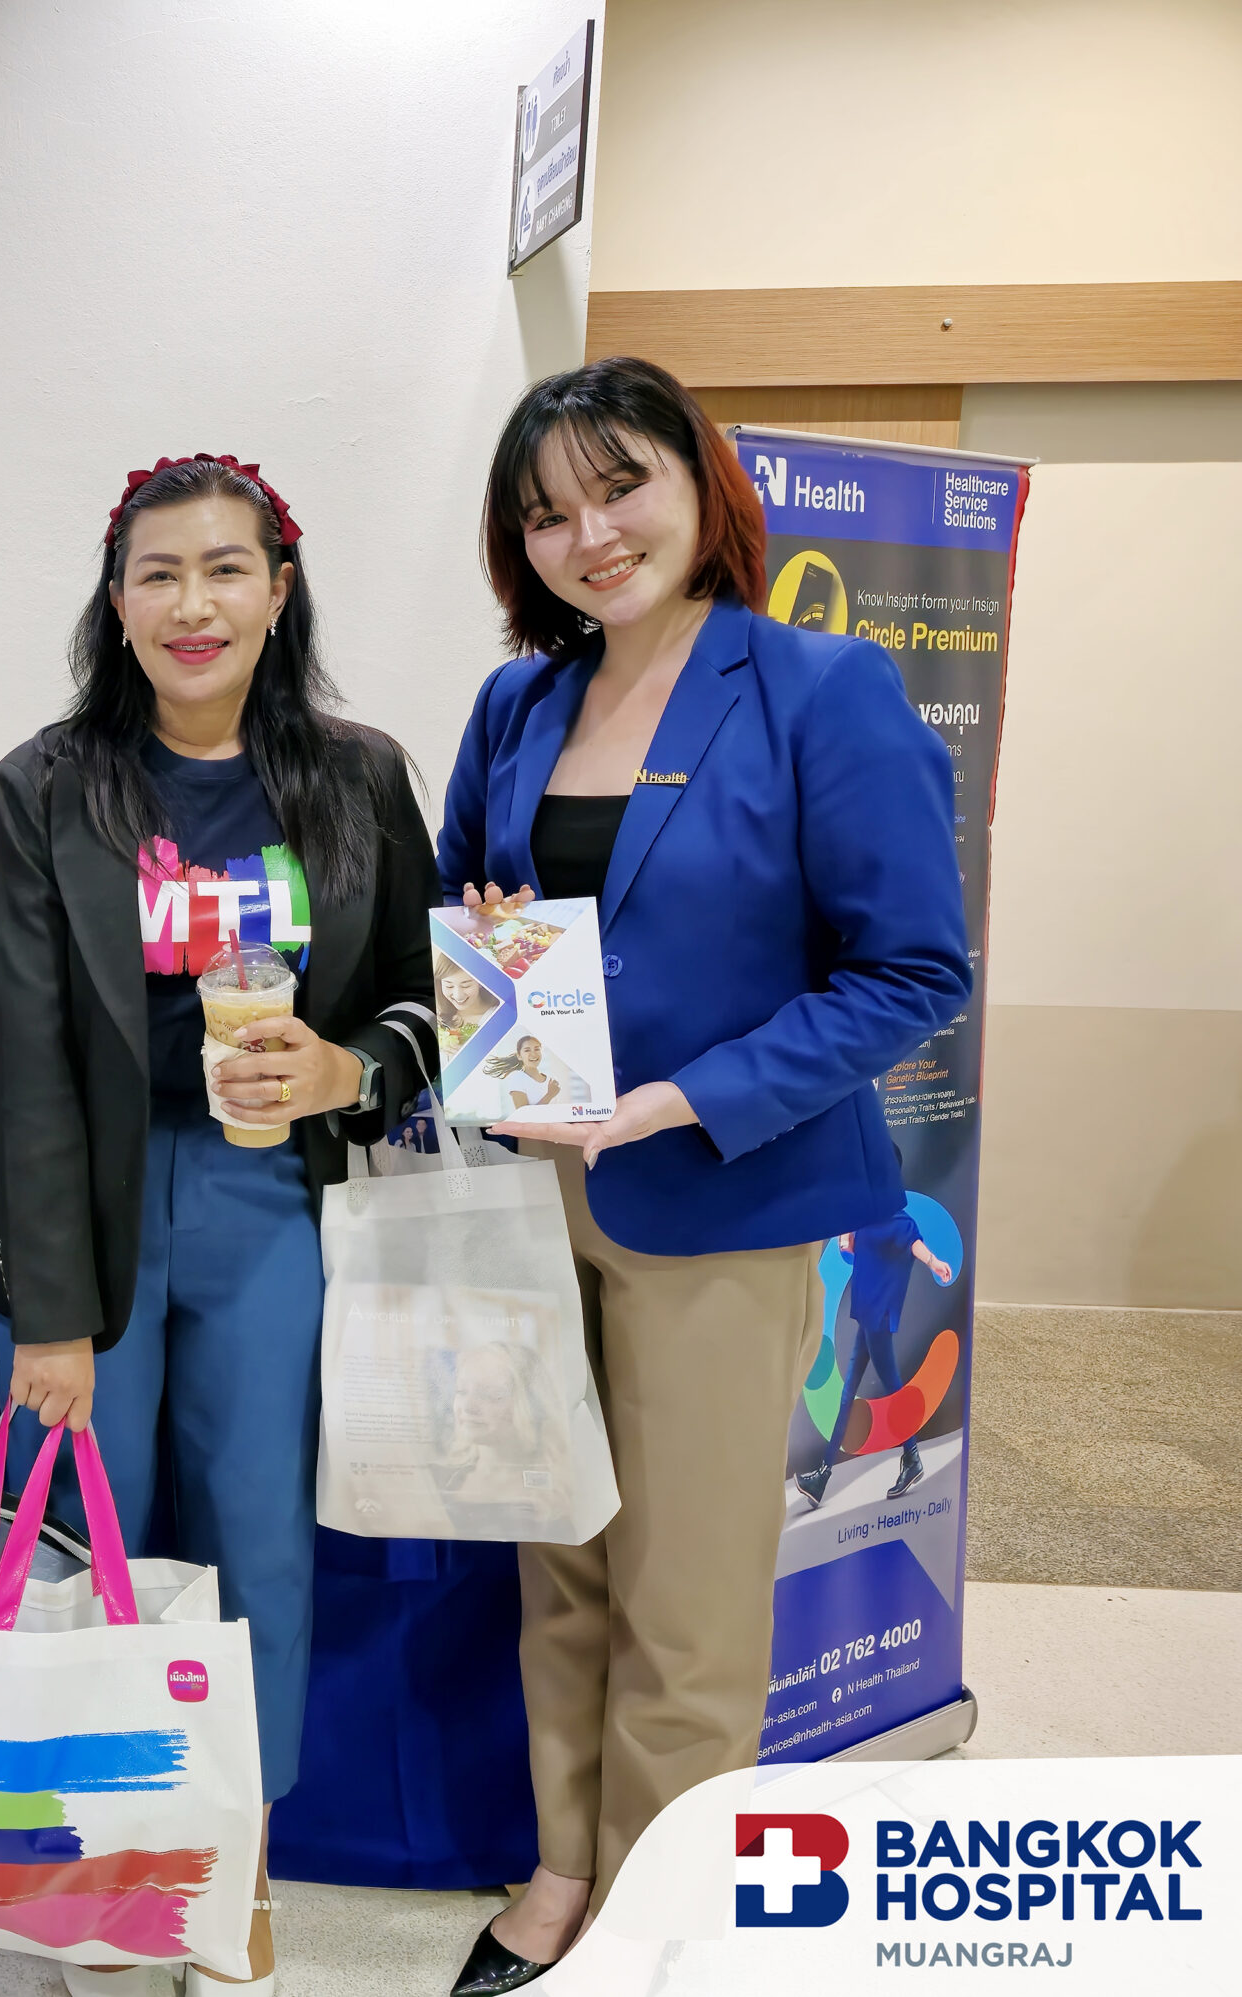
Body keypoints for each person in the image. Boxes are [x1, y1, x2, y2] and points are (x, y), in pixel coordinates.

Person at [435, 357, 969, 1994]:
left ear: (699, 483)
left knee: (685, 1600)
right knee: (562, 1561)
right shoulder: (519, 704)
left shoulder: (821, 686)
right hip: (537, 1198)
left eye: (621, 488)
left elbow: (912, 970)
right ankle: (563, 1866)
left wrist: (679, 1099)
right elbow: (469, 911)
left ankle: (657, 1918)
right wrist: (489, 1014)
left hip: (724, 1203)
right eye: (547, 513)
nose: (589, 535)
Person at [0, 452, 438, 1997]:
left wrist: (346, 1068)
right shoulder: (47, 785)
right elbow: (28, 1057)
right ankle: (104, 1867)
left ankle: (238, 1856)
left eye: (226, 569)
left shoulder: (357, 778)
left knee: (255, 1542)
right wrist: (48, 1310)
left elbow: (424, 1000)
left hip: (268, 1195)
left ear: (279, 592)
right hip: (85, 1200)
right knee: (87, 1542)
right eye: (158, 573)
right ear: (118, 602)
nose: (193, 603)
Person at [797, 1209, 955, 1508]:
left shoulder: (898, 1220)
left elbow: (915, 1243)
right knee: (848, 1393)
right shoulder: (865, 1216)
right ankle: (823, 1476)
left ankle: (911, 1458)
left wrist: (934, 1263)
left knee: (892, 1390)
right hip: (867, 1314)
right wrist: (848, 1231)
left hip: (879, 1317)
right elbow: (851, 1250)